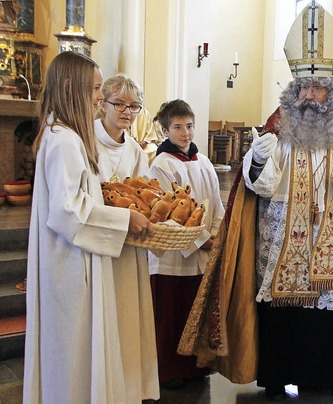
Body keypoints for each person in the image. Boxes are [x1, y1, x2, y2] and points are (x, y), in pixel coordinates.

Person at [178, 2, 333, 400]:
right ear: (293, 90)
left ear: (332, 93)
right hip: (281, 238)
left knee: (327, 312)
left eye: (318, 88)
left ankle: (329, 376)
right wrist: (255, 161)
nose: (310, 96)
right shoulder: (277, 128)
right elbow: (257, 188)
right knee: (281, 311)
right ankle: (279, 376)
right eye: (303, 87)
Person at [23, 51, 153, 403]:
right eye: (96, 88)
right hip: (70, 262)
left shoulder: (61, 133)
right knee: (74, 351)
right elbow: (68, 212)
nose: (99, 97)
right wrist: (125, 219)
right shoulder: (65, 140)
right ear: (72, 86)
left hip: (71, 257)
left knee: (73, 352)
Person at [148, 99, 225, 387]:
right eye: (178, 127)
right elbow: (165, 211)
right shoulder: (161, 164)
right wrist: (201, 240)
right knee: (171, 313)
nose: (185, 133)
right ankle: (168, 370)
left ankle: (195, 366)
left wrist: (216, 234)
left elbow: (217, 206)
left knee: (196, 311)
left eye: (189, 126)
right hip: (172, 255)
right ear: (165, 130)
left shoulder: (203, 162)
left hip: (202, 252)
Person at [95, 74, 159, 402]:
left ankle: (129, 388)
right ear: (101, 103)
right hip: (99, 244)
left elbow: (145, 191)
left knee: (128, 318)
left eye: (133, 106)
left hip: (129, 246)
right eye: (118, 104)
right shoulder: (85, 142)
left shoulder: (134, 149)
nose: (126, 111)